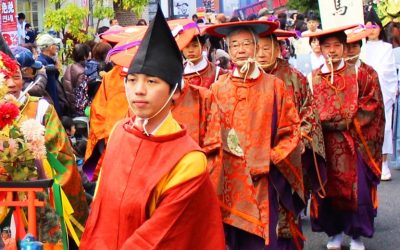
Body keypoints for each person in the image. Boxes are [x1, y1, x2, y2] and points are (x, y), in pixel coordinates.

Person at [80, 6, 225, 249]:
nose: (139, 90)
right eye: (132, 80)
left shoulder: (187, 160)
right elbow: (100, 212)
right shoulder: (118, 133)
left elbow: (160, 237)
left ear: (175, 92)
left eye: (151, 81)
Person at [205, 20, 304, 249]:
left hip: (263, 179)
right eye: (235, 45)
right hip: (228, 181)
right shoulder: (218, 88)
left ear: (256, 47)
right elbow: (209, 132)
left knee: (262, 239)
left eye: (247, 44)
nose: (241, 49)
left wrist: (271, 158)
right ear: (228, 49)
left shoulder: (274, 86)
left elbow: (291, 131)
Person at [1, 33, 88, 248]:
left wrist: (36, 168)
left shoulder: (41, 108)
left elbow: (62, 156)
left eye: (17, 76)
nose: (12, 83)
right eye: (4, 77)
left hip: (37, 193)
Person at [303, 25, 385, 250]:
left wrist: (350, 120)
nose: (332, 50)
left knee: (356, 192)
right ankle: (334, 233)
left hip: (353, 141)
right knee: (327, 190)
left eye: (337, 45)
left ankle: (356, 236)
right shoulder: (312, 78)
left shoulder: (360, 73)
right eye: (327, 46)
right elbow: (305, 108)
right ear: (320, 48)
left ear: (344, 47)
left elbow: (372, 104)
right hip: (325, 144)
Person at [256, 29, 327, 228]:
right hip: (254, 155)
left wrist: (301, 138)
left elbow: (309, 111)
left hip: (288, 151)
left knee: (285, 211)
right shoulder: (244, 79)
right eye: (257, 48)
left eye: (266, 48)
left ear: (277, 48)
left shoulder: (294, 77)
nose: (261, 54)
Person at [362, 13, 398, 181]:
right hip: (364, 95)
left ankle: (383, 163)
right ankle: (368, 161)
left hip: (384, 92)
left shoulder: (386, 47)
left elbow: (389, 72)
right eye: (368, 26)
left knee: (386, 128)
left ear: (380, 28)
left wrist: (375, 75)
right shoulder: (360, 48)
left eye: (374, 26)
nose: (372, 30)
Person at [36, 34, 66, 116]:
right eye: (55, 45)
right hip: (52, 107)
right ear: (50, 47)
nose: (56, 48)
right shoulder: (44, 64)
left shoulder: (47, 61)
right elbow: (51, 90)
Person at [63, 43, 91, 117]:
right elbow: (81, 94)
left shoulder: (70, 67)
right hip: (78, 109)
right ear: (85, 56)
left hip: (69, 104)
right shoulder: (82, 72)